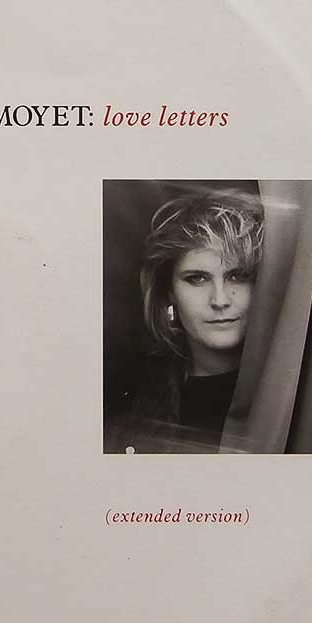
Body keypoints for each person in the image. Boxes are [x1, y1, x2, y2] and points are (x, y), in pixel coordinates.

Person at [104, 189, 265, 454]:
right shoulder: (129, 401)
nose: (220, 300)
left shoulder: (294, 397)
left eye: (238, 276)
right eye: (197, 278)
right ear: (169, 293)